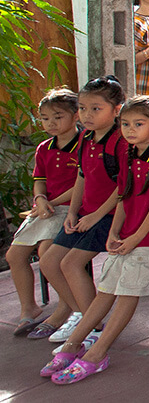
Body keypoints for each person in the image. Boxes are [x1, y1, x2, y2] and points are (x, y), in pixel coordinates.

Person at [41, 96, 149, 384]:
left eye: (138, 124)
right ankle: (73, 344)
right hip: (128, 234)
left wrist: (137, 237)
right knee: (106, 289)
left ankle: (98, 353)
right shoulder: (129, 153)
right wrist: (116, 231)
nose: (130, 130)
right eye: (126, 124)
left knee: (127, 293)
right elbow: (123, 195)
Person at [35, 77, 126, 345]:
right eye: (83, 108)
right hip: (86, 213)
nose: (87, 115)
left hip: (110, 217)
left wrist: (95, 216)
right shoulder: (86, 137)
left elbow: (123, 187)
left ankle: (93, 325)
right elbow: (82, 177)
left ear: (116, 109)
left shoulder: (120, 142)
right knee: (48, 262)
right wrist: (73, 212)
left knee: (71, 264)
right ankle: (81, 314)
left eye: (96, 109)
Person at [9, 89, 80, 338]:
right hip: (46, 207)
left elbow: (84, 185)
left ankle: (66, 308)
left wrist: (50, 203)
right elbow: (39, 180)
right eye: (44, 117)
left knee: (46, 253)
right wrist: (40, 199)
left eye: (57, 116)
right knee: (14, 255)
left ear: (75, 115)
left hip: (71, 208)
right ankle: (29, 306)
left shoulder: (84, 145)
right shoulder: (44, 148)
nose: (50, 123)